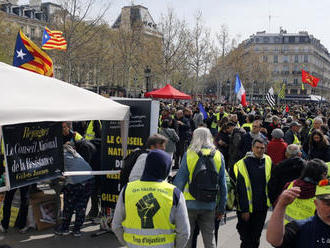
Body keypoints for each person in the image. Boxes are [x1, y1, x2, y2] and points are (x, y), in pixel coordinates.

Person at [112, 149, 190, 248]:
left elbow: (116, 225)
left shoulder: (127, 189)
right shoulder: (174, 193)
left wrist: (127, 243)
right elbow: (184, 232)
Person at [174, 127, 227, 248]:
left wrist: (175, 205)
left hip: (189, 204)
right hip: (209, 203)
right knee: (209, 239)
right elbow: (223, 185)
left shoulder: (189, 154)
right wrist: (221, 208)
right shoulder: (218, 155)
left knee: (187, 238)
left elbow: (179, 182)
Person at [266, 181, 330, 248]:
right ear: (316, 203)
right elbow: (274, 241)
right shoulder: (300, 227)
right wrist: (281, 205)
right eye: (328, 204)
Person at [234, 138, 272, 248]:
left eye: (262, 148)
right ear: (252, 148)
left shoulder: (268, 160)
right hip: (246, 208)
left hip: (261, 206)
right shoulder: (242, 164)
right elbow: (240, 189)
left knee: (256, 237)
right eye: (257, 148)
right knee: (246, 238)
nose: (260, 150)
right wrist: (245, 210)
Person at [54, 144, 94, 237]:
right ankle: (77, 230)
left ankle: (64, 229)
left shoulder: (60, 156)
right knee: (82, 206)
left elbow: (59, 175)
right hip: (90, 179)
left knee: (68, 206)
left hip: (77, 182)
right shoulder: (74, 153)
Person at [281, 159, 328, 224]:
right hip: (306, 231)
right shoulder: (320, 194)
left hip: (283, 228)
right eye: (325, 174)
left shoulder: (290, 185)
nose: (325, 177)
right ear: (320, 175)